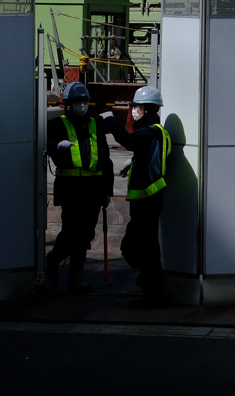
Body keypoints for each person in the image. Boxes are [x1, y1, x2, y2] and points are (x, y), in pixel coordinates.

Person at [46, 81, 115, 294]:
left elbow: (106, 160)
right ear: (69, 104)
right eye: (78, 102)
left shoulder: (95, 125)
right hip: (71, 187)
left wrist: (108, 191)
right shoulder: (57, 124)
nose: (82, 105)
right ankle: (53, 261)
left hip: (93, 188)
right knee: (70, 232)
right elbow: (45, 144)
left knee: (85, 235)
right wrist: (56, 146)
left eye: (84, 101)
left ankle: (75, 281)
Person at [112, 84, 171, 309]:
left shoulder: (151, 131)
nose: (134, 111)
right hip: (147, 199)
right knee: (144, 247)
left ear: (147, 109)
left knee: (138, 248)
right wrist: (135, 161)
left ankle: (151, 290)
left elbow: (130, 141)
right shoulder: (156, 132)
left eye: (137, 107)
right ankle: (150, 285)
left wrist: (110, 121)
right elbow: (148, 153)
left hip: (147, 199)